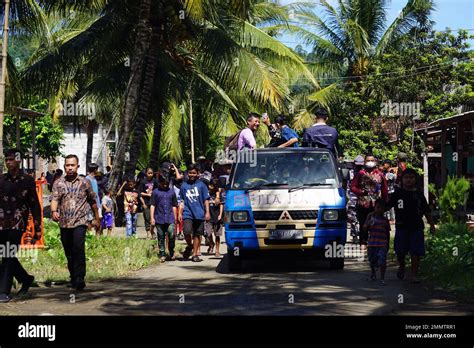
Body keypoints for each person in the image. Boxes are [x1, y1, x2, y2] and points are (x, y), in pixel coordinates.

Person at [51, 154, 100, 291]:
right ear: (64, 166)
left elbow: (92, 201)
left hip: (80, 221)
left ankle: (79, 278)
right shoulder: (58, 183)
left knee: (78, 248)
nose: (70, 168)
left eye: (73, 165)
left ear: (78, 166)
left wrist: (97, 218)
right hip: (64, 222)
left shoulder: (85, 182)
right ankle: (73, 275)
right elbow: (55, 199)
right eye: (68, 165)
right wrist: (54, 211)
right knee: (68, 251)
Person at [0, 149, 41, 302]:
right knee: (5, 254)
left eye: (11, 159)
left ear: (18, 160)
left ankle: (3, 291)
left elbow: (34, 205)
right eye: (6, 159)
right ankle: (25, 278)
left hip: (17, 224)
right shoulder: (1, 180)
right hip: (1, 224)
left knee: (8, 254)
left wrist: (37, 228)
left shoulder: (27, 180)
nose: (8, 162)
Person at [387, 168, 436, 283]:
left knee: (416, 251)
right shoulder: (397, 194)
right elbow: (387, 206)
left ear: (415, 180)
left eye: (411, 178)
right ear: (402, 179)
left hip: (416, 227)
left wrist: (432, 225)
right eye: (406, 178)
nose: (409, 180)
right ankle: (402, 266)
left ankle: (414, 274)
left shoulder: (419, 195)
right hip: (401, 226)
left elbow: (426, 211)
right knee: (400, 251)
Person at [350, 154, 388, 247]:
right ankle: (363, 241)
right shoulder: (360, 173)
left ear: (375, 162)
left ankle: (375, 242)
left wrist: (385, 202)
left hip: (376, 204)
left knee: (377, 223)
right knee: (363, 223)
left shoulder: (380, 174)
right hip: (363, 203)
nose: (370, 162)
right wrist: (361, 192)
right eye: (368, 160)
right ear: (365, 162)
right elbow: (353, 187)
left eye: (372, 160)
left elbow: (384, 189)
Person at [178, 164, 210, 262]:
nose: (192, 174)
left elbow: (206, 200)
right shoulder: (184, 185)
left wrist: (207, 212)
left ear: (198, 174)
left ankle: (195, 254)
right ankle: (190, 246)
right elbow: (181, 201)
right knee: (187, 231)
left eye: (194, 173)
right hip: (187, 213)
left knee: (197, 234)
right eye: (190, 173)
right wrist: (180, 213)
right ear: (187, 173)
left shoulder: (202, 185)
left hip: (199, 213)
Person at [150, 175, 179, 263]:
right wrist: (152, 218)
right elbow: (152, 205)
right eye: (163, 184)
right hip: (159, 217)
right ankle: (162, 253)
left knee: (171, 234)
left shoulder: (171, 192)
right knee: (161, 236)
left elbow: (174, 205)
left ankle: (171, 250)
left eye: (167, 184)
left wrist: (175, 218)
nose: (165, 185)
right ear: (160, 183)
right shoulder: (155, 192)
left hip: (170, 217)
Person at [363, 199, 391, 285]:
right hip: (372, 243)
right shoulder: (370, 217)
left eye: (382, 208)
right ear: (374, 207)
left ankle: (382, 278)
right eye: (378, 207)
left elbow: (387, 232)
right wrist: (368, 223)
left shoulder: (385, 220)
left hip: (382, 243)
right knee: (372, 260)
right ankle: (373, 273)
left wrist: (388, 244)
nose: (379, 210)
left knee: (382, 261)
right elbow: (364, 228)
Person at [204, 179, 224, 257]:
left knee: (217, 235)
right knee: (208, 233)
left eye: (212, 186)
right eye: (210, 185)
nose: (210, 187)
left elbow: (221, 204)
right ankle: (211, 243)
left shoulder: (218, 194)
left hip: (217, 216)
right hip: (209, 216)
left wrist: (220, 214)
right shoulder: (206, 194)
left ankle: (217, 250)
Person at [138, 167, 158, 239]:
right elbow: (140, 193)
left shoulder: (155, 181)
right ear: (146, 173)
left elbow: (157, 191)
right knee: (147, 218)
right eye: (149, 173)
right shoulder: (143, 182)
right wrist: (143, 203)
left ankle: (152, 231)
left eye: (151, 173)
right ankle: (148, 233)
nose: (150, 174)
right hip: (146, 203)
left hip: (153, 203)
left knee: (153, 219)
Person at [85, 163, 101, 234]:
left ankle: (97, 236)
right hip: (91, 203)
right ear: (95, 170)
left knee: (99, 220)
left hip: (97, 202)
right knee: (90, 220)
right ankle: (90, 235)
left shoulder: (94, 178)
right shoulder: (87, 179)